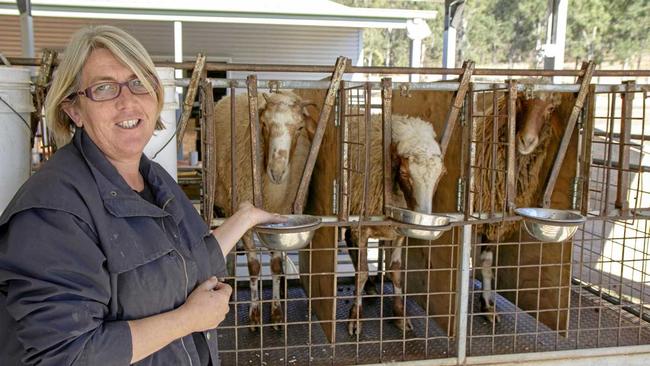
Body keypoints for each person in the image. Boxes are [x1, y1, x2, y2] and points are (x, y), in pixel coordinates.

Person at [0, 25, 284, 365]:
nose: (128, 101)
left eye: (139, 83)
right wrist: (188, 321)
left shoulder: (152, 178)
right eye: (104, 88)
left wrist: (245, 217)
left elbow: (187, 264)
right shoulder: (53, 212)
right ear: (74, 110)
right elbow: (66, 355)